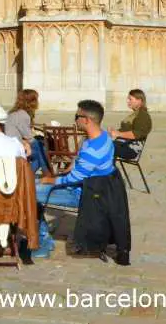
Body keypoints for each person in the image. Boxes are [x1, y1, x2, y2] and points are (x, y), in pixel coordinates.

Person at [35, 100, 116, 258]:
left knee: (30, 192)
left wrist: (49, 180)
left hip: (84, 194)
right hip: (90, 188)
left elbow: (71, 179)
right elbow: (77, 164)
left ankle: (42, 243)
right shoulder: (102, 137)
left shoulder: (94, 149)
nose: (74, 120)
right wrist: (67, 168)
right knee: (35, 186)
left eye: (76, 116)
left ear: (86, 119)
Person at [6, 89, 50, 174]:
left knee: (40, 153)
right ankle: (46, 173)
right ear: (32, 102)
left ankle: (29, 175)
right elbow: (29, 137)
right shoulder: (22, 114)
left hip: (11, 143)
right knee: (41, 149)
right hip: (15, 146)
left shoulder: (12, 113)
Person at [109, 89, 153, 160]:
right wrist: (114, 132)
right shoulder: (136, 114)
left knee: (106, 147)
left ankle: (109, 170)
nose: (127, 101)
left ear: (139, 100)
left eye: (130, 99)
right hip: (123, 144)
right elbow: (125, 130)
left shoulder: (142, 115)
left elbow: (136, 134)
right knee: (102, 143)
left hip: (131, 149)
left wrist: (118, 134)